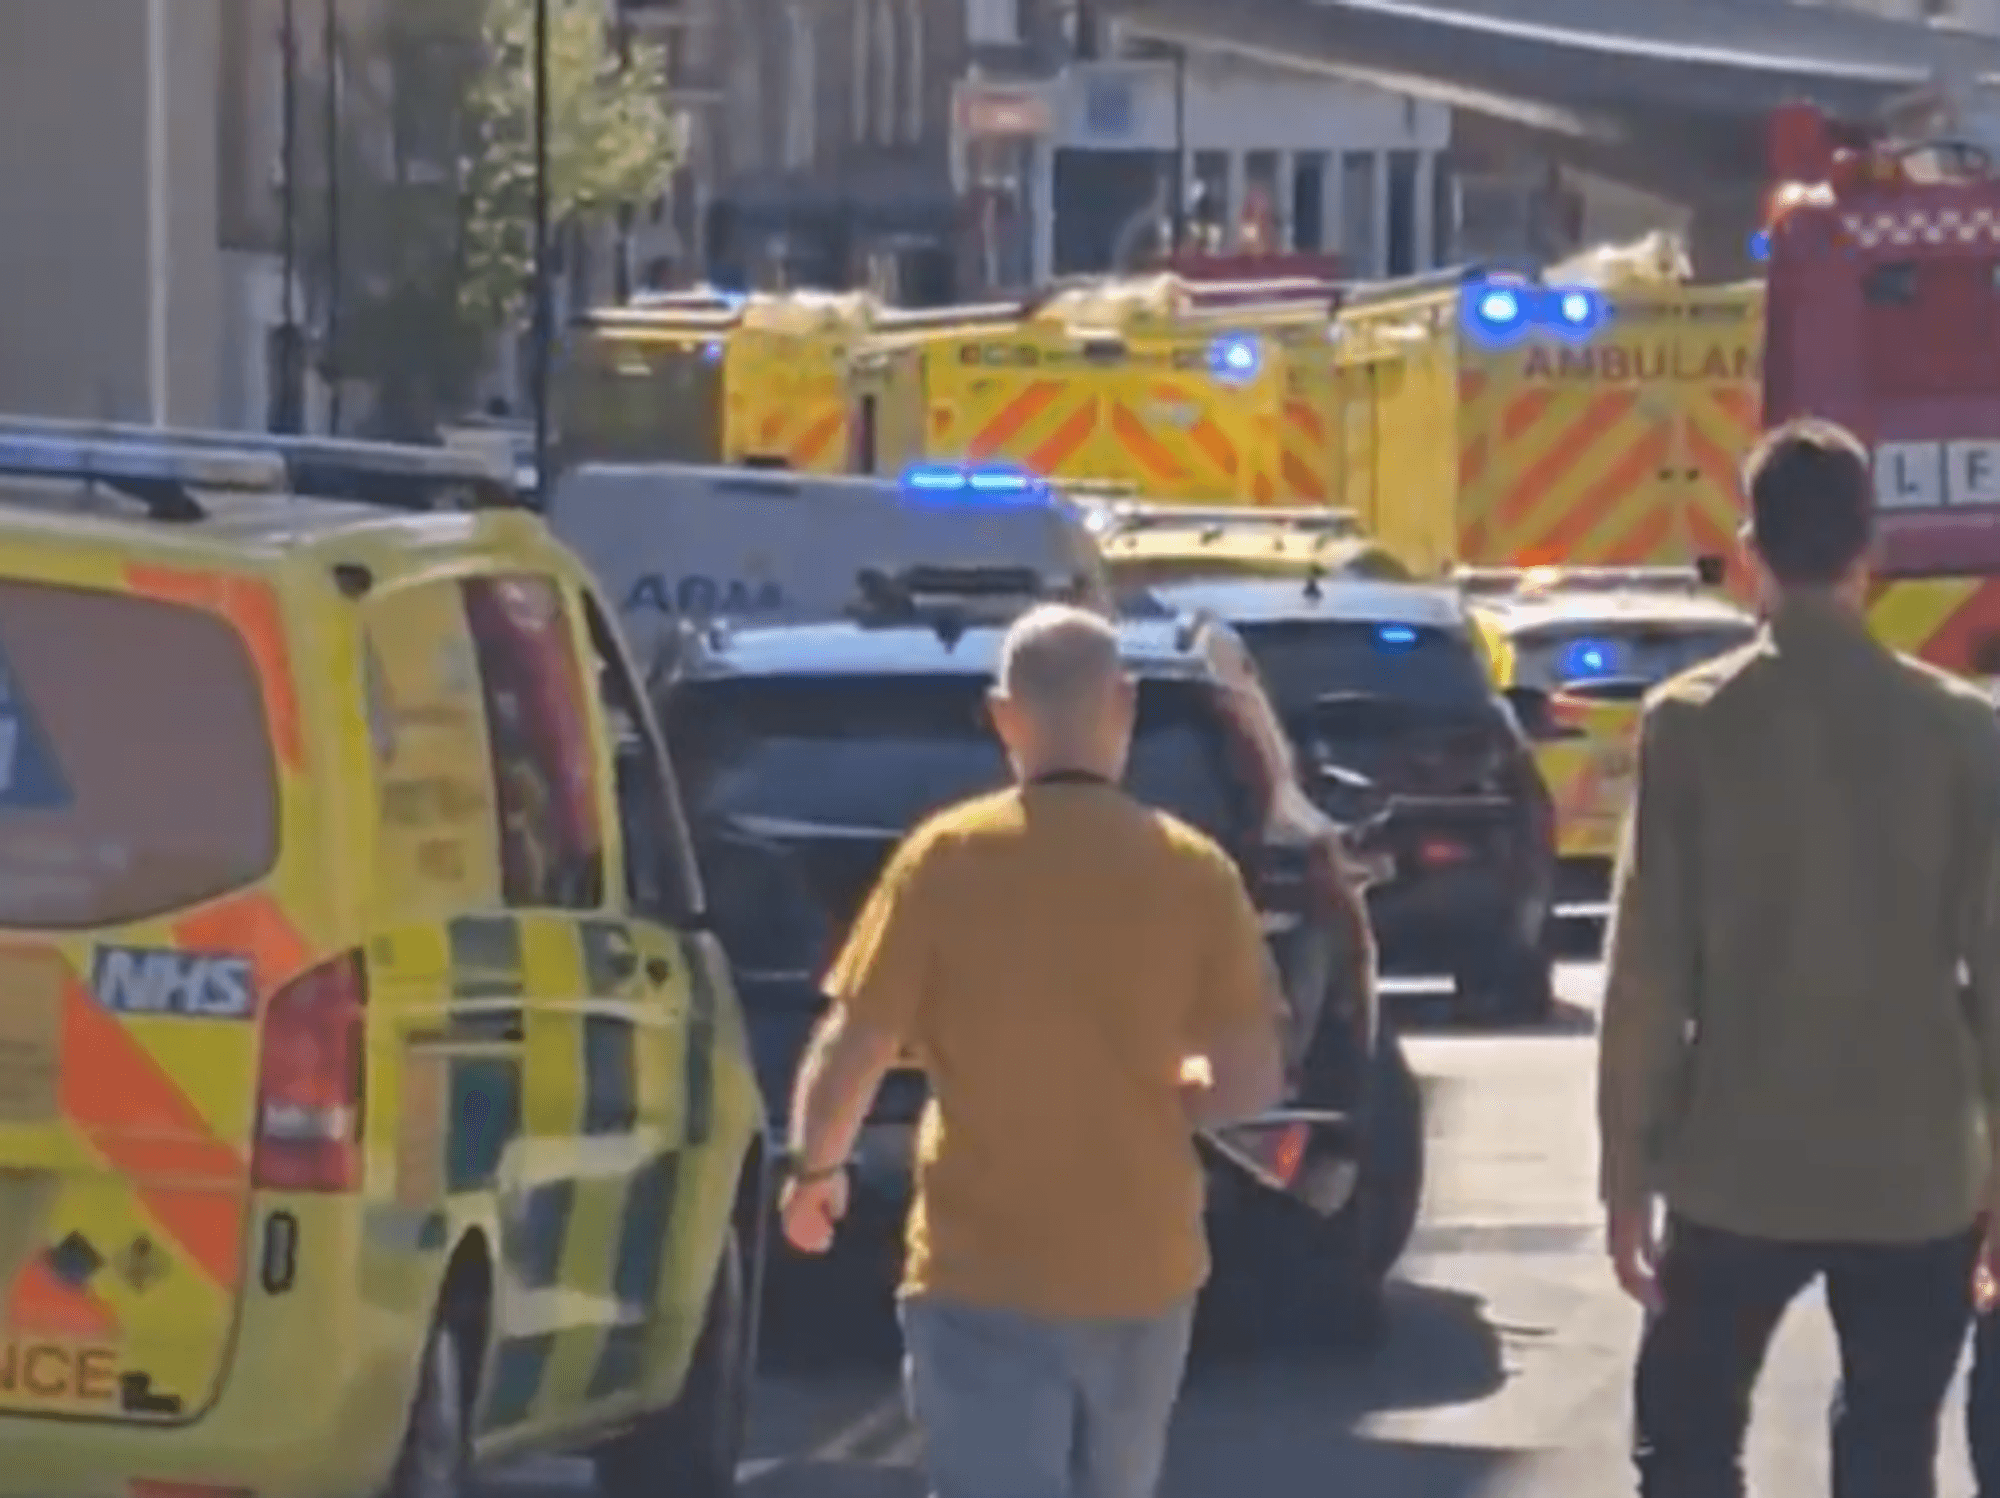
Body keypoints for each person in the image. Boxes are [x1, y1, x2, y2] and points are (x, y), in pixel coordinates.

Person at [778, 603, 1287, 1498]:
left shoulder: (946, 859)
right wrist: (1168, 1091)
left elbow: (855, 1041)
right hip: (1144, 1265)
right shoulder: (1192, 870)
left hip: (981, 1269)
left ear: (1002, 716)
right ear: (1124, 705)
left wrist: (815, 1173)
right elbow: (1249, 1080)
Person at [1596, 415, 2000, 1498]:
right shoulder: (1965, 734)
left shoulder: (1688, 725)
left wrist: (1625, 1173)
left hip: (1735, 1167)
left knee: (1683, 1445)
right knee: (1884, 1447)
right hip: (1915, 1175)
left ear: (1746, 552)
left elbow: (1646, 974)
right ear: (1867, 554)